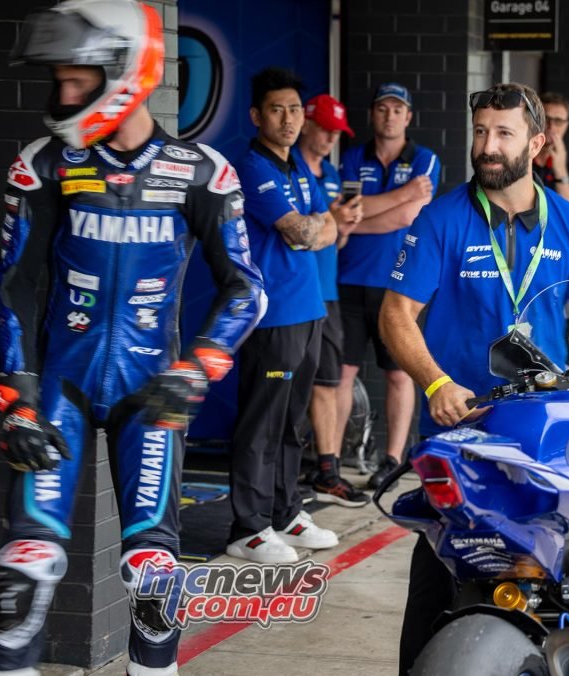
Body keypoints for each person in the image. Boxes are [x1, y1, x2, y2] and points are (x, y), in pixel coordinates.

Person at [0, 1, 266, 673]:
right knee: (22, 580)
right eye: (61, 79)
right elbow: (10, 286)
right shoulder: (43, 165)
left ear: (127, 73)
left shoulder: (202, 171)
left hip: (153, 395)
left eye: (78, 79)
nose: (64, 93)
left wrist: (197, 369)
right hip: (60, 389)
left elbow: (246, 289)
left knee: (153, 585)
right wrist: (16, 396)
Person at [379, 82, 569, 674]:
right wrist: (437, 383)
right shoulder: (440, 219)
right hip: (461, 431)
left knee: (557, 577)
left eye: (503, 133)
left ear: (538, 143)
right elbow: (396, 316)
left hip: (543, 432)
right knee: (441, 581)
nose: (487, 147)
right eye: (480, 132)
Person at [226, 68, 342, 564]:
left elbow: (330, 227)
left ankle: (285, 512)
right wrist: (314, 226)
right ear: (257, 116)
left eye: (296, 109)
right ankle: (248, 528)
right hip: (272, 316)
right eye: (278, 109)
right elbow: (301, 233)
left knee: (293, 423)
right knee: (263, 422)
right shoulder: (253, 168)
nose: (290, 119)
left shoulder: (297, 167)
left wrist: (316, 226)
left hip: (309, 309)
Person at [336, 83, 441, 490]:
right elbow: (347, 214)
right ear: (373, 114)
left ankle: (393, 460)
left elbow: (409, 217)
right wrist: (401, 196)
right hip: (348, 280)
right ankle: (334, 460)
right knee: (342, 374)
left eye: (398, 109)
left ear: (408, 117)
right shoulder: (351, 157)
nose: (390, 116)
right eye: (383, 108)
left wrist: (361, 219)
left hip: (398, 286)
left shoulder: (426, 159)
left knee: (398, 374)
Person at [293, 93, 369, 507]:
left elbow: (334, 241)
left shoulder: (334, 175)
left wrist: (346, 226)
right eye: (324, 128)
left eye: (336, 132)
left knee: (327, 381)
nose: (329, 138)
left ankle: (327, 470)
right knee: (290, 387)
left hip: (328, 291)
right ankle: (286, 472)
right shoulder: (290, 169)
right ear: (305, 123)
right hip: (293, 295)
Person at [532, 91, 569, 206]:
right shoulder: (519, 154)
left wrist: (560, 170)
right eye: (545, 119)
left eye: (558, 121)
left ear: (566, 126)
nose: (551, 127)